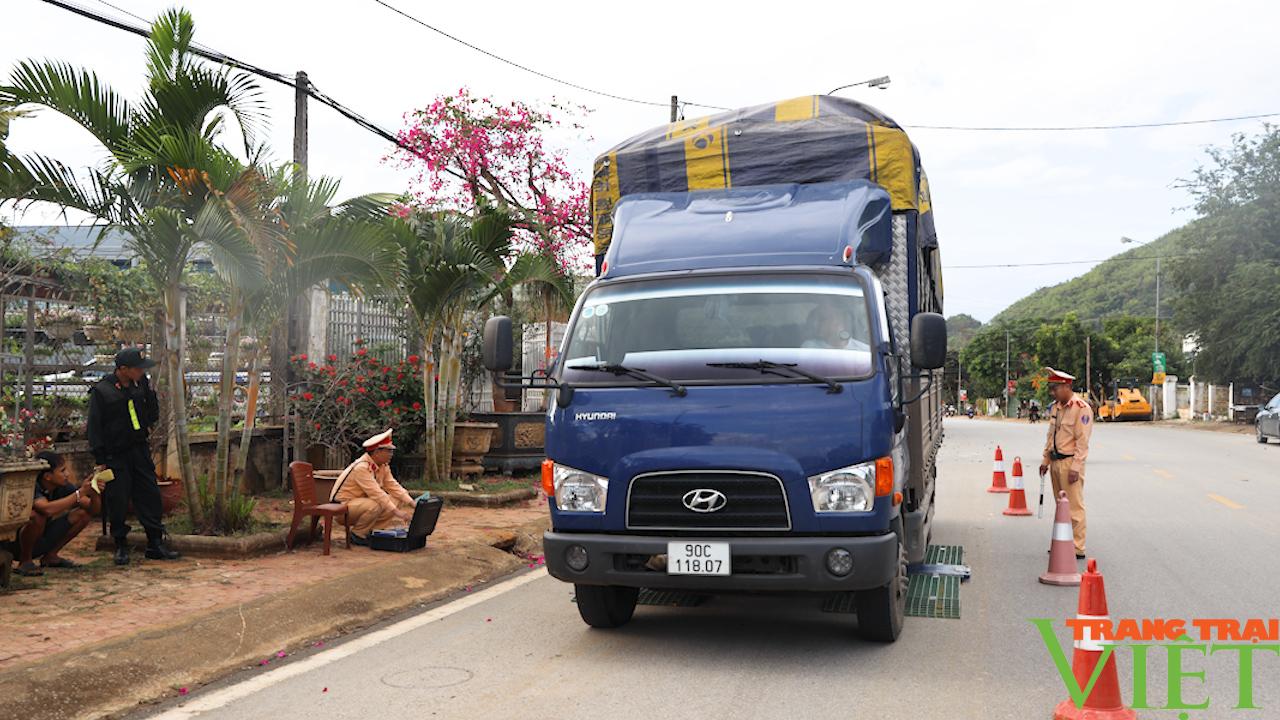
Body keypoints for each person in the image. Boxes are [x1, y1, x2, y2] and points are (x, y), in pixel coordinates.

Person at [87, 348, 179, 566]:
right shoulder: (103, 391)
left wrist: (149, 392)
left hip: (139, 450)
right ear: (123, 369)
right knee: (117, 499)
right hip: (114, 454)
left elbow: (152, 416)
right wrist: (100, 458)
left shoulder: (140, 387)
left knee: (149, 494)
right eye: (138, 369)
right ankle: (120, 545)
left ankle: (154, 543)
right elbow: (94, 428)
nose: (141, 372)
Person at [4, 450, 95, 577]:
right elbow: (46, 509)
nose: (67, 474)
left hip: (42, 537)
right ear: (48, 476)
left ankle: (50, 556)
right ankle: (26, 561)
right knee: (37, 516)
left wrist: (95, 491)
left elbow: (92, 509)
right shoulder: (33, 485)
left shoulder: (63, 486)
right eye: (62, 471)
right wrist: (79, 493)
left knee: (82, 515)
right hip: (14, 542)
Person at [1039, 367, 1093, 558]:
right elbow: (1051, 435)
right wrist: (1045, 460)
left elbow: (1082, 442)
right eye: (1052, 389)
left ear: (1067, 386)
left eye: (1055, 388)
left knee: (1074, 507)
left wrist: (1076, 467)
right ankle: (1063, 542)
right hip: (1055, 462)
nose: (1053, 392)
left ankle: (1077, 547)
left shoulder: (1081, 408)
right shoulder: (1056, 407)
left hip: (1070, 463)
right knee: (1060, 506)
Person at [329, 430, 417, 545]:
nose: (391, 454)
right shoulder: (361, 467)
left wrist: (413, 503)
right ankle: (357, 535)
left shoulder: (383, 466)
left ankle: (372, 532)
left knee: (397, 497)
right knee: (377, 503)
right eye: (388, 451)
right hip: (342, 508)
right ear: (376, 452)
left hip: (360, 504)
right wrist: (397, 513)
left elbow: (393, 486)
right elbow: (376, 493)